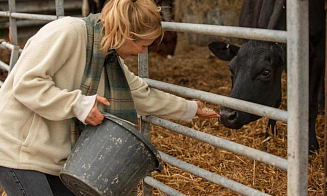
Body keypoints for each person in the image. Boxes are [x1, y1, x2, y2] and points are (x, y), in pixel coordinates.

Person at [0, 0, 220, 195]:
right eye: (143, 44)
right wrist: (77, 104)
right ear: (126, 33)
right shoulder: (67, 32)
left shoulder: (109, 58)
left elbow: (141, 95)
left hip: (55, 159)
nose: (144, 52)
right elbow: (26, 84)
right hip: (18, 150)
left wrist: (190, 108)